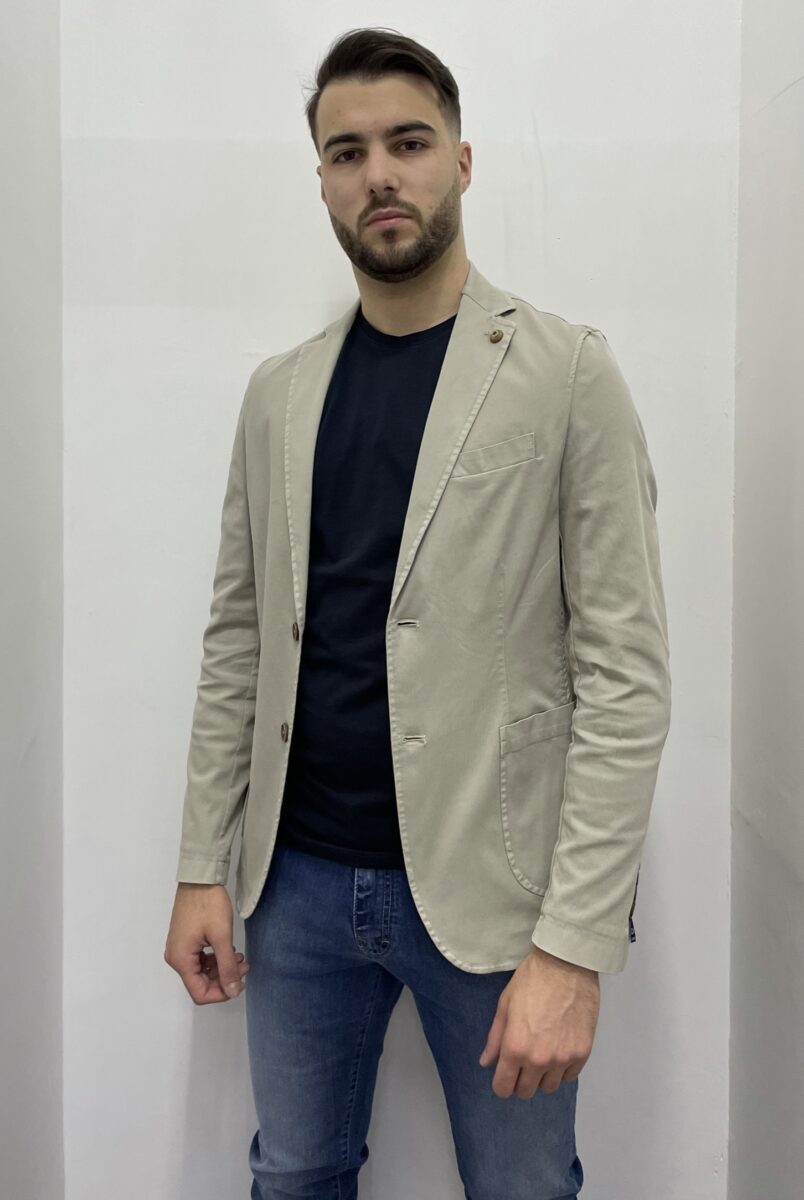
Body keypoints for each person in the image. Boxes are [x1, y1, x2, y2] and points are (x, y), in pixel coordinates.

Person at [164, 25, 672, 1200]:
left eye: (408, 142)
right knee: (294, 1175)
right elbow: (239, 640)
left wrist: (575, 946)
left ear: (463, 160)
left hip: (498, 896)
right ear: (323, 182)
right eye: (347, 153)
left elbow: (626, 678)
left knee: (523, 1189)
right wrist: (201, 863)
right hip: (293, 884)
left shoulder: (566, 373)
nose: (379, 175)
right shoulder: (279, 395)